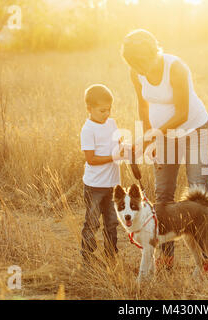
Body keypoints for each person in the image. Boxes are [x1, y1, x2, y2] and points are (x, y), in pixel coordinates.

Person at [122, 29, 208, 275]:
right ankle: (166, 259)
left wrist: (152, 136)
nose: (142, 69)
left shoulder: (176, 68)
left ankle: (206, 261)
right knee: (163, 194)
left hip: (195, 131)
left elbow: (183, 113)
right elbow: (143, 106)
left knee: (198, 191)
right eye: (137, 65)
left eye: (145, 62)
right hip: (164, 137)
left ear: (155, 51)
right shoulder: (136, 72)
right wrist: (150, 138)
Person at [80, 84, 128, 266]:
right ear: (89, 109)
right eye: (102, 111)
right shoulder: (88, 130)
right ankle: (87, 257)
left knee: (112, 222)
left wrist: (123, 149)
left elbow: (118, 143)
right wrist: (112, 157)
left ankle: (111, 256)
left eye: (109, 109)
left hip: (113, 185)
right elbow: (91, 159)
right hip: (95, 186)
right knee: (92, 223)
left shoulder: (112, 123)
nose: (106, 114)